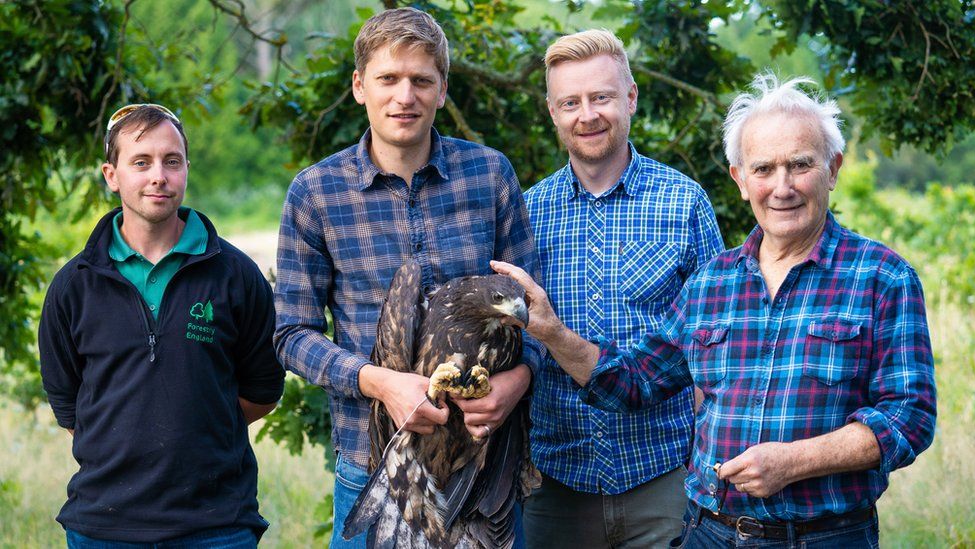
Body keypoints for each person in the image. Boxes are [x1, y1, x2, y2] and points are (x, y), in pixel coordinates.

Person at [494, 73, 937, 548]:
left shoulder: (882, 277)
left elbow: (910, 417)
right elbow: (633, 381)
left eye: (800, 165)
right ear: (741, 180)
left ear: (833, 169)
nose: (782, 187)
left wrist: (795, 461)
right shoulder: (712, 284)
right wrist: (552, 331)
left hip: (824, 536)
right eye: (763, 169)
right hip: (710, 532)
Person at [272, 8, 541, 548]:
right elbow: (290, 336)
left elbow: (534, 315)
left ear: (442, 90)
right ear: (359, 87)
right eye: (388, 79)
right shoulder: (316, 193)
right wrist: (380, 383)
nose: (405, 96)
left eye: (421, 80)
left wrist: (517, 382)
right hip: (376, 465)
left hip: (484, 465)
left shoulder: (490, 175)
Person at [38, 103, 285, 548]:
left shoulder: (236, 275)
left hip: (216, 525)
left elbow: (263, 391)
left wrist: (198, 427)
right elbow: (70, 404)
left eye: (172, 161)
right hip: (103, 527)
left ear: (187, 168)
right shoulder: (73, 286)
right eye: (141, 162)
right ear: (111, 175)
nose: (159, 176)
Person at [519, 29, 724, 548]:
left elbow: (717, 343)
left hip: (664, 478)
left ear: (630, 98)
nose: (586, 114)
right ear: (551, 111)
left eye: (601, 97)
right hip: (555, 485)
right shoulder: (525, 213)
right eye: (570, 102)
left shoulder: (684, 203)